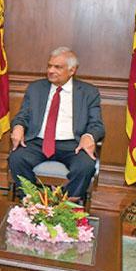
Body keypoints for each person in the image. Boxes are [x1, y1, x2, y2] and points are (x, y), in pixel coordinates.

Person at [9, 47, 105, 201]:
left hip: (72, 144)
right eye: (49, 66)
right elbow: (22, 116)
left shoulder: (88, 93)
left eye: (57, 67)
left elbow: (97, 125)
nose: (51, 70)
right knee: (17, 158)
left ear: (72, 70)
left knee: (85, 165)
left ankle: (65, 206)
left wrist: (88, 136)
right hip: (38, 142)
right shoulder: (35, 89)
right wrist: (18, 126)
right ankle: (33, 201)